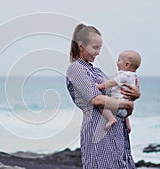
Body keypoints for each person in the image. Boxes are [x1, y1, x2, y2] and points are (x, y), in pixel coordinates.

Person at [66, 23, 140, 168]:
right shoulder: (76, 69)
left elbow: (119, 97)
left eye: (100, 48)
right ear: (81, 46)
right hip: (99, 135)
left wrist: (134, 96)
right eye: (95, 48)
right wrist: (127, 104)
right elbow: (97, 100)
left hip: (118, 134)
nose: (98, 52)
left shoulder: (97, 71)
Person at [95, 50, 141, 132]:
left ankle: (111, 119)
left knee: (102, 105)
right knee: (125, 103)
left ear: (127, 65)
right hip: (125, 110)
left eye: (119, 60)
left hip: (119, 106)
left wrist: (100, 86)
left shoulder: (124, 75)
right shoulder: (133, 77)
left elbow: (111, 82)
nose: (117, 62)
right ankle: (128, 124)